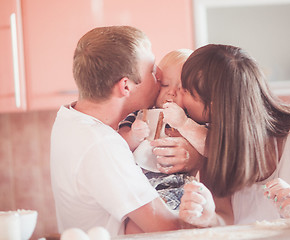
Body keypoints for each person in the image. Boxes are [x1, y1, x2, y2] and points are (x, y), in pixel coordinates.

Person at [169, 44, 290, 227]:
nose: (178, 98)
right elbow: (225, 218)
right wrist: (208, 218)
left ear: (213, 106)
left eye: (185, 91)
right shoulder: (214, 144)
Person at [50, 26, 191, 236]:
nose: (159, 78)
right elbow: (168, 228)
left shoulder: (70, 119)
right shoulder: (101, 144)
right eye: (152, 71)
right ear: (126, 86)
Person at [118, 49, 207, 210]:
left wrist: (184, 124)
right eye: (165, 84)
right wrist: (133, 135)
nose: (171, 92)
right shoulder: (141, 112)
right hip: (142, 191)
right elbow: (119, 144)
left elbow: (210, 145)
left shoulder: (192, 118)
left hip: (181, 190)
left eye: (181, 88)